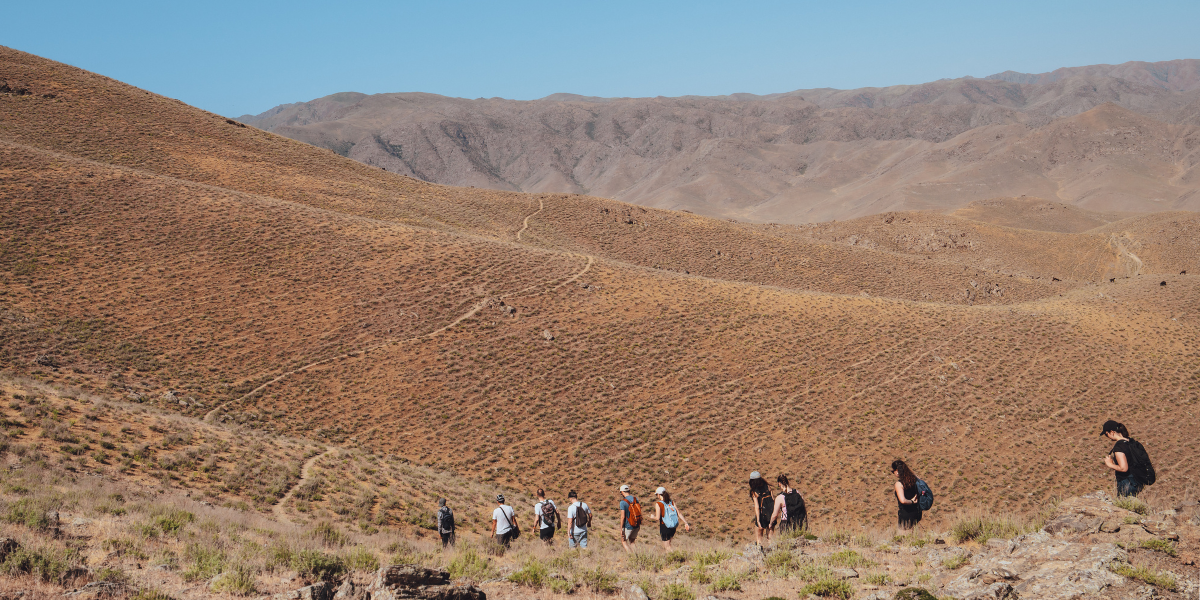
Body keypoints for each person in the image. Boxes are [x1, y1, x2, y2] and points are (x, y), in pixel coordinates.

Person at [1102, 420, 1148, 497]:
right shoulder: (1131, 442)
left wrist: (1110, 464)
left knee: (1123, 504)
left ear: (1112, 432)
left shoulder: (1119, 446)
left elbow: (1123, 468)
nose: (1107, 437)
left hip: (1127, 482)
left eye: (1107, 434)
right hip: (1137, 481)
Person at [649, 486, 690, 551]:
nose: (657, 496)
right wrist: (686, 523)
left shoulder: (658, 504)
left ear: (659, 494)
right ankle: (670, 558)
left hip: (665, 526)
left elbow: (657, 518)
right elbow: (678, 513)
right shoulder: (671, 502)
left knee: (667, 546)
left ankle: (674, 557)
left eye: (656, 494)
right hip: (673, 527)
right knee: (669, 544)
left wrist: (652, 517)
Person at [891, 460, 922, 530]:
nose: (894, 473)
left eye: (893, 471)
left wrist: (912, 501)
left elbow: (903, 501)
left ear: (897, 471)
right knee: (914, 535)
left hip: (906, 513)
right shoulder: (915, 479)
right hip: (917, 512)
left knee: (904, 537)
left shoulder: (899, 484)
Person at [748, 472, 773, 547]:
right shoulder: (768, 487)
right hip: (771, 512)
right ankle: (772, 551)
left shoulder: (754, 491)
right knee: (770, 536)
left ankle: (760, 551)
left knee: (759, 536)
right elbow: (773, 500)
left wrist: (758, 520)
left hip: (762, 514)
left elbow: (757, 507)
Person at [617, 484, 643, 552]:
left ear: (622, 492)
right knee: (632, 542)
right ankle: (637, 557)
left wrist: (621, 528)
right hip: (636, 524)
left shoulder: (623, 502)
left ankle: (631, 557)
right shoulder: (635, 499)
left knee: (623, 541)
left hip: (628, 526)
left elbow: (622, 516)